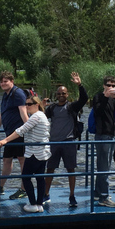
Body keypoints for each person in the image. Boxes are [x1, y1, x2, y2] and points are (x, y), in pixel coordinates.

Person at [0, 95, 51, 213]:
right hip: (43, 153)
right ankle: (39, 204)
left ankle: (33, 204)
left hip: (34, 154)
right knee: (40, 178)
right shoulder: (42, 115)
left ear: (37, 105)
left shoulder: (36, 117)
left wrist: (5, 140)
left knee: (26, 177)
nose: (26, 107)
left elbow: (21, 130)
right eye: (25, 104)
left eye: (29, 104)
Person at [44, 72, 88, 208]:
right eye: (59, 94)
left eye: (63, 93)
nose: (61, 95)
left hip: (69, 142)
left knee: (71, 169)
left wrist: (79, 84)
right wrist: (40, 105)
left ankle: (72, 195)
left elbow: (84, 99)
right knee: (50, 169)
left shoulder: (72, 107)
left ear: (67, 95)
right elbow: (40, 118)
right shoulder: (51, 108)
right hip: (54, 143)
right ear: (56, 95)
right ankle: (46, 194)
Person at [91, 75, 115, 208]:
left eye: (113, 86)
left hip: (111, 136)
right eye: (108, 85)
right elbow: (98, 111)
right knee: (104, 168)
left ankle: (97, 193)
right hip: (102, 136)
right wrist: (106, 96)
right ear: (103, 86)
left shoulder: (113, 100)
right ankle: (104, 198)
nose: (111, 88)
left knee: (103, 166)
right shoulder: (98, 97)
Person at [0, 71, 28, 199]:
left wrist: (28, 128)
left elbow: (24, 113)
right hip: (9, 134)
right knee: (7, 160)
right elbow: (3, 113)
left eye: (6, 81)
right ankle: (0, 187)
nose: (3, 83)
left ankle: (24, 189)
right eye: (1, 82)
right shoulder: (5, 95)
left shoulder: (17, 94)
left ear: (12, 81)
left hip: (19, 133)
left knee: (23, 161)